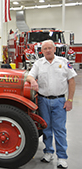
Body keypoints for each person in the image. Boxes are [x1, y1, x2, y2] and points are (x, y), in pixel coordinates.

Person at [26, 40, 76, 169]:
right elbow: (29, 76)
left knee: (59, 129)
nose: (47, 50)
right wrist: (33, 81)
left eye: (49, 48)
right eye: (45, 49)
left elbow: (71, 81)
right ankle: (48, 152)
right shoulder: (38, 63)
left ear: (54, 49)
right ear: (41, 51)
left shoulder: (63, 62)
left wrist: (69, 100)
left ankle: (62, 157)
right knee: (46, 128)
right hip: (43, 101)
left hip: (59, 101)